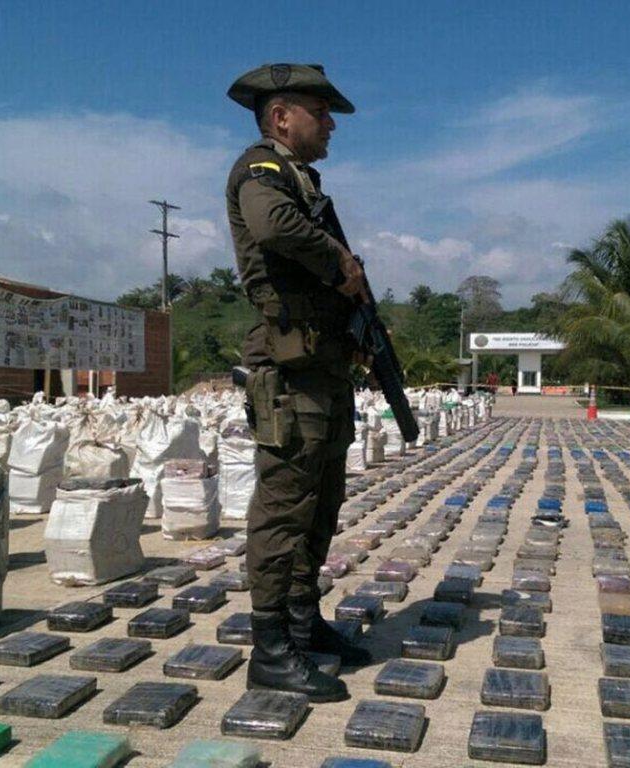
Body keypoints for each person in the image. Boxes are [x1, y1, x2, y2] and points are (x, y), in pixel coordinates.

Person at [225, 62, 370, 702]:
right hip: (289, 373)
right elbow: (273, 229)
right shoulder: (262, 172)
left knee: (322, 503)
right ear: (282, 115)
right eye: (321, 110)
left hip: (322, 369)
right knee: (284, 509)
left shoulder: (304, 183)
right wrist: (341, 261)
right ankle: (270, 648)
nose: (332, 123)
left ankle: (304, 625)